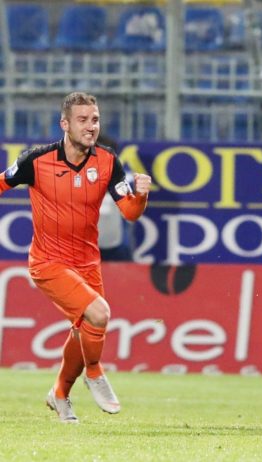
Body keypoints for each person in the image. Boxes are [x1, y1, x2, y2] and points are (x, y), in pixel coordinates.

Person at [0, 92, 152, 423]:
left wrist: (140, 196)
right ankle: (94, 373)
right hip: (48, 262)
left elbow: (129, 213)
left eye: (95, 119)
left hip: (88, 263)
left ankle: (59, 394)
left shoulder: (108, 162)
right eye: (82, 120)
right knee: (99, 313)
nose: (91, 126)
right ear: (65, 124)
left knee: (85, 329)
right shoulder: (36, 160)